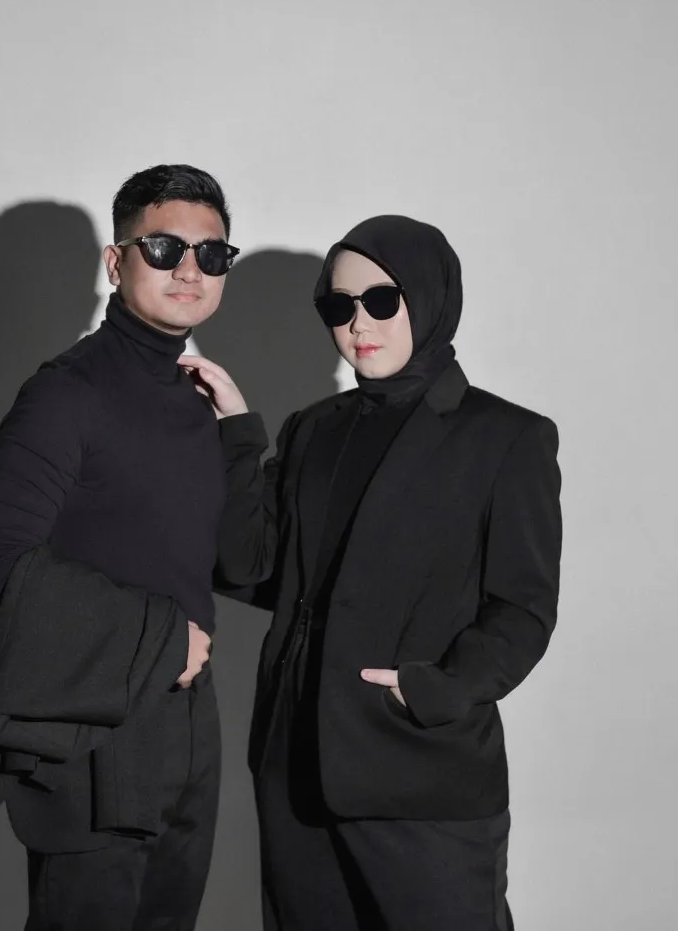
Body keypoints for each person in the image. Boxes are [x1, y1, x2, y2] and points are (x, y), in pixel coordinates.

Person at [182, 215, 562, 931]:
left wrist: (433, 690)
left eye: (382, 301)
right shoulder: (313, 429)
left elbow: (522, 609)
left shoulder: (506, 437)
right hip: (295, 769)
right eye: (339, 306)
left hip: (421, 770)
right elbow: (247, 565)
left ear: (430, 297)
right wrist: (235, 434)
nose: (358, 324)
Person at [0, 164, 238, 931]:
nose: (189, 270)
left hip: (189, 726)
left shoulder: (199, 399)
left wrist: (241, 431)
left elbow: (233, 562)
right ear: (115, 262)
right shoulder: (66, 393)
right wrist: (162, 636)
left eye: (211, 254)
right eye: (163, 249)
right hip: (89, 725)